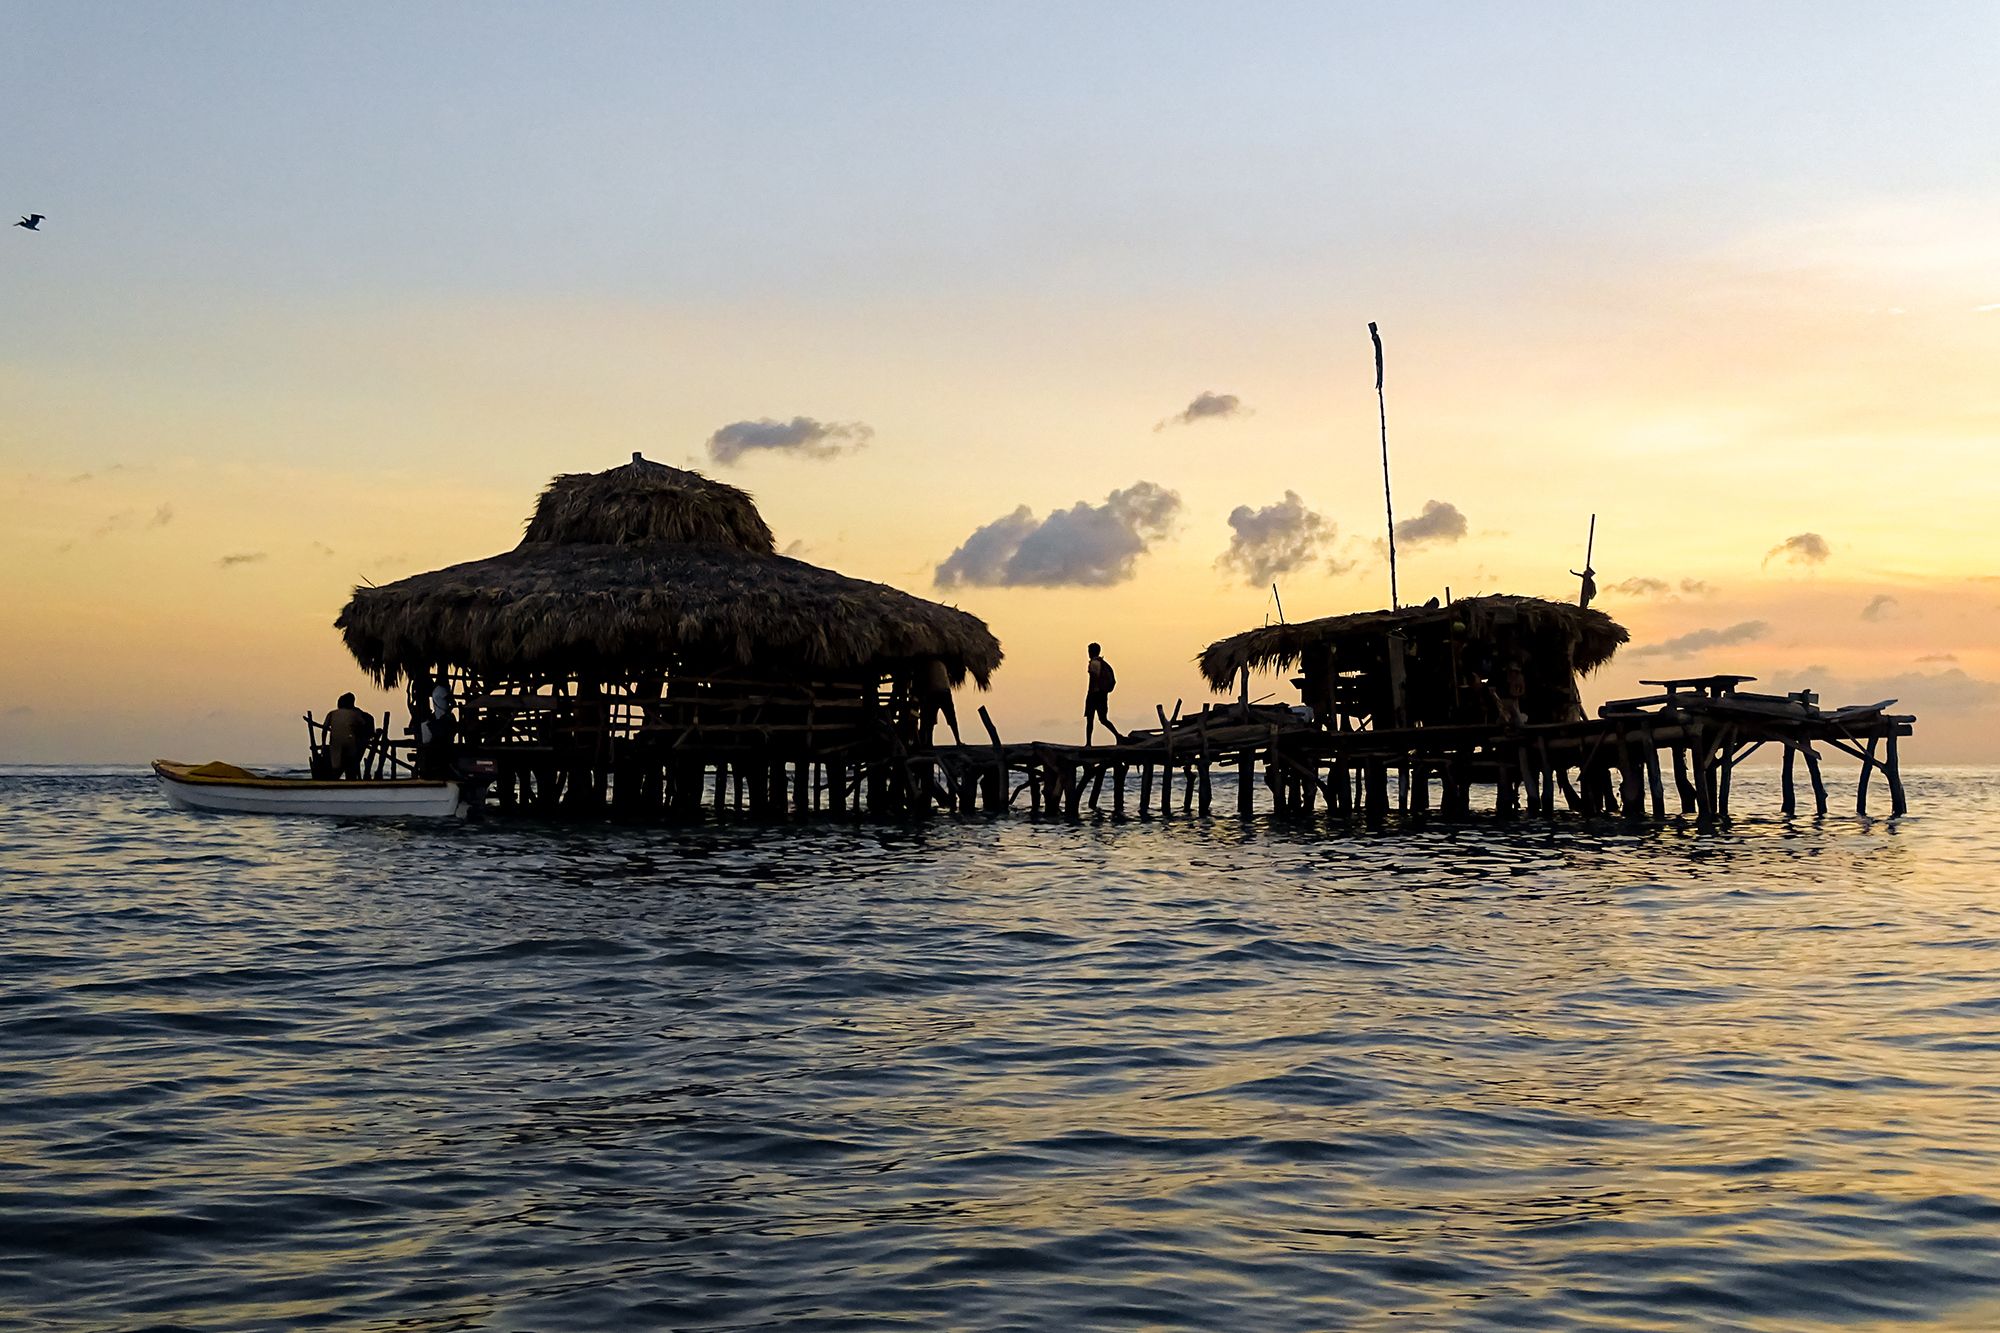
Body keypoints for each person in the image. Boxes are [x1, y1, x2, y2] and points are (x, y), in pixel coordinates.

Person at [324, 692, 376, 780]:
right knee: (349, 765)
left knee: (345, 765)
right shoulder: (357, 713)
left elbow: (364, 726)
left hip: (356, 741)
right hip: (354, 741)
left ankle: (341, 780)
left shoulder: (357, 714)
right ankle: (349, 779)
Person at [917, 656, 963, 747]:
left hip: (936, 692)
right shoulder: (937, 664)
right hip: (940, 692)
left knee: (932, 719)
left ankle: (930, 742)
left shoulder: (932, 664)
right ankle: (957, 740)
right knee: (946, 718)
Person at [1084, 642, 1121, 745]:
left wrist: (1090, 693)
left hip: (1094, 694)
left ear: (1091, 652)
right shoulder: (1102, 663)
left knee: (1090, 720)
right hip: (1102, 695)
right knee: (1103, 719)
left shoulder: (1093, 664)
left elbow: (1093, 680)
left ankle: (1088, 743)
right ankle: (1118, 736)